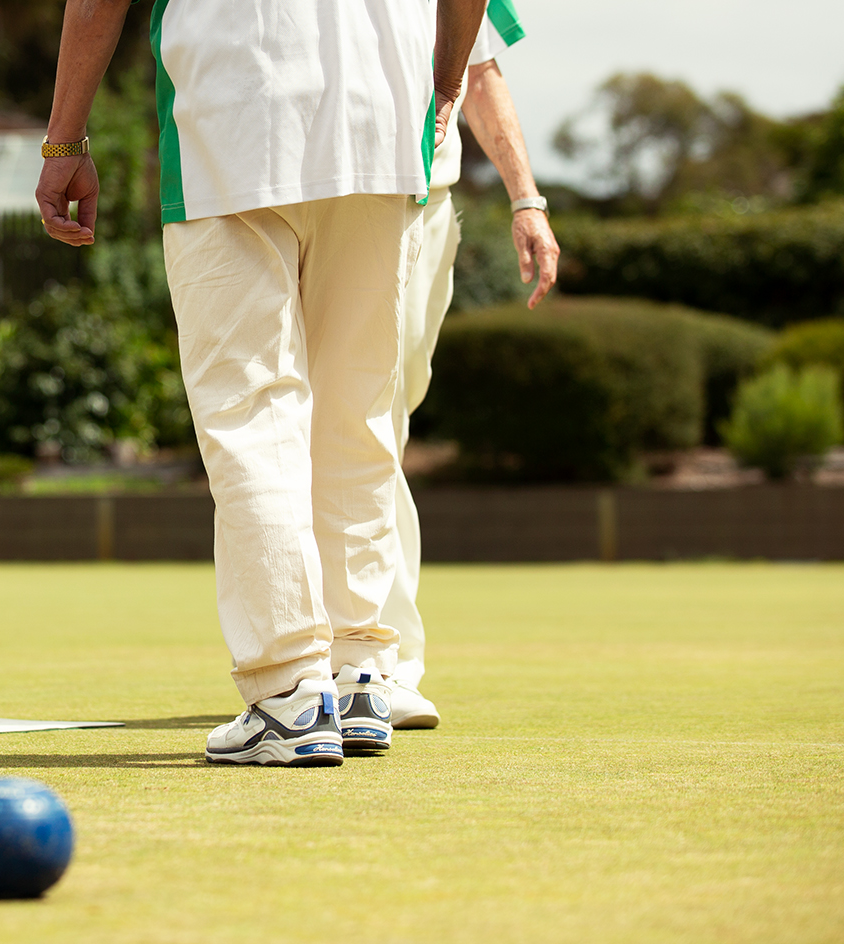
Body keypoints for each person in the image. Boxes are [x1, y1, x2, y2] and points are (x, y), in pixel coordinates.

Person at [37, 0, 489, 767]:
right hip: (382, 115)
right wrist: (444, 85)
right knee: (358, 413)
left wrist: (64, 140)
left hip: (236, 111)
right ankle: (358, 675)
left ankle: (289, 692)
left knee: (252, 412)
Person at [380, 2, 562, 730]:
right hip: (305, 195)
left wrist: (527, 199)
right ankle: (370, 660)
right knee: (342, 421)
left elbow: (479, 69)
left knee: (380, 422)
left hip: (422, 203)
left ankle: (358, 655)